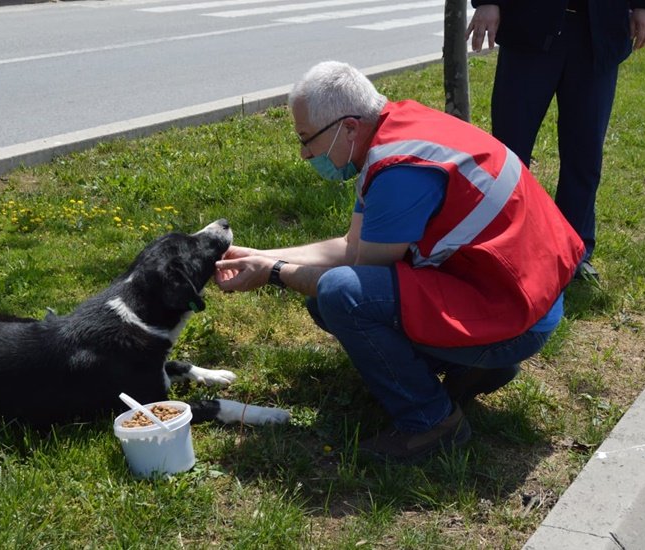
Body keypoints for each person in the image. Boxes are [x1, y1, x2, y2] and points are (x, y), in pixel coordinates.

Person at [214, 61, 584, 463]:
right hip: (522, 298)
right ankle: (475, 368)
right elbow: (351, 246)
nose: (305, 153)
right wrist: (259, 256)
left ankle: (432, 422)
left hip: (516, 320)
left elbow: (357, 277)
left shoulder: (398, 171)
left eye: (307, 139)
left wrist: (273, 273)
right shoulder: (397, 132)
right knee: (330, 296)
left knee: (338, 296)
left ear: (349, 127)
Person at [466, 0, 645, 280]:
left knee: (585, 154)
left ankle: (574, 252)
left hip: (599, 31)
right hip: (529, 25)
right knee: (511, 150)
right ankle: (503, 245)